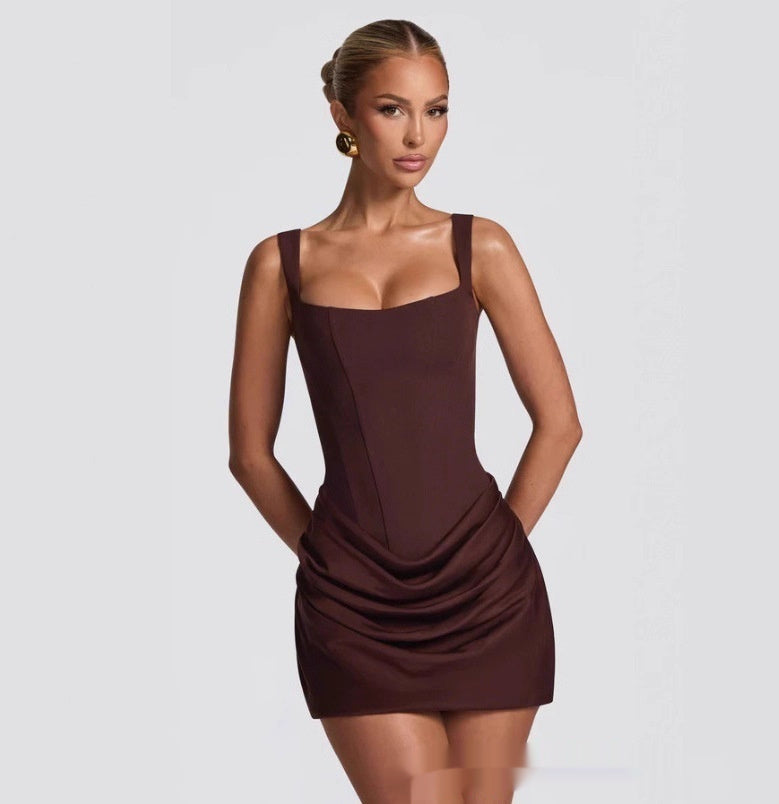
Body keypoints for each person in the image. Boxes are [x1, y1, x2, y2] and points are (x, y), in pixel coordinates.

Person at [228, 18, 582, 804]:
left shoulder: (481, 247)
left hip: (490, 598)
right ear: (343, 114)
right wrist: (326, 558)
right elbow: (249, 454)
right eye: (392, 109)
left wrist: (501, 547)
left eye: (437, 109)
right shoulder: (281, 264)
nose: (419, 135)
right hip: (354, 608)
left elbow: (560, 424)